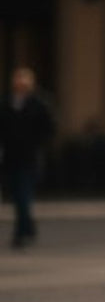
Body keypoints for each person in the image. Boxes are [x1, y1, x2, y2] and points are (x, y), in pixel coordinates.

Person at [0, 67, 54, 249]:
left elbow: (49, 128)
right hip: (11, 156)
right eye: (18, 82)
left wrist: (37, 142)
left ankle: (20, 234)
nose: (21, 86)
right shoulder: (7, 103)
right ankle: (28, 227)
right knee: (17, 196)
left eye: (24, 83)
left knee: (23, 195)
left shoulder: (39, 104)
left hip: (29, 157)